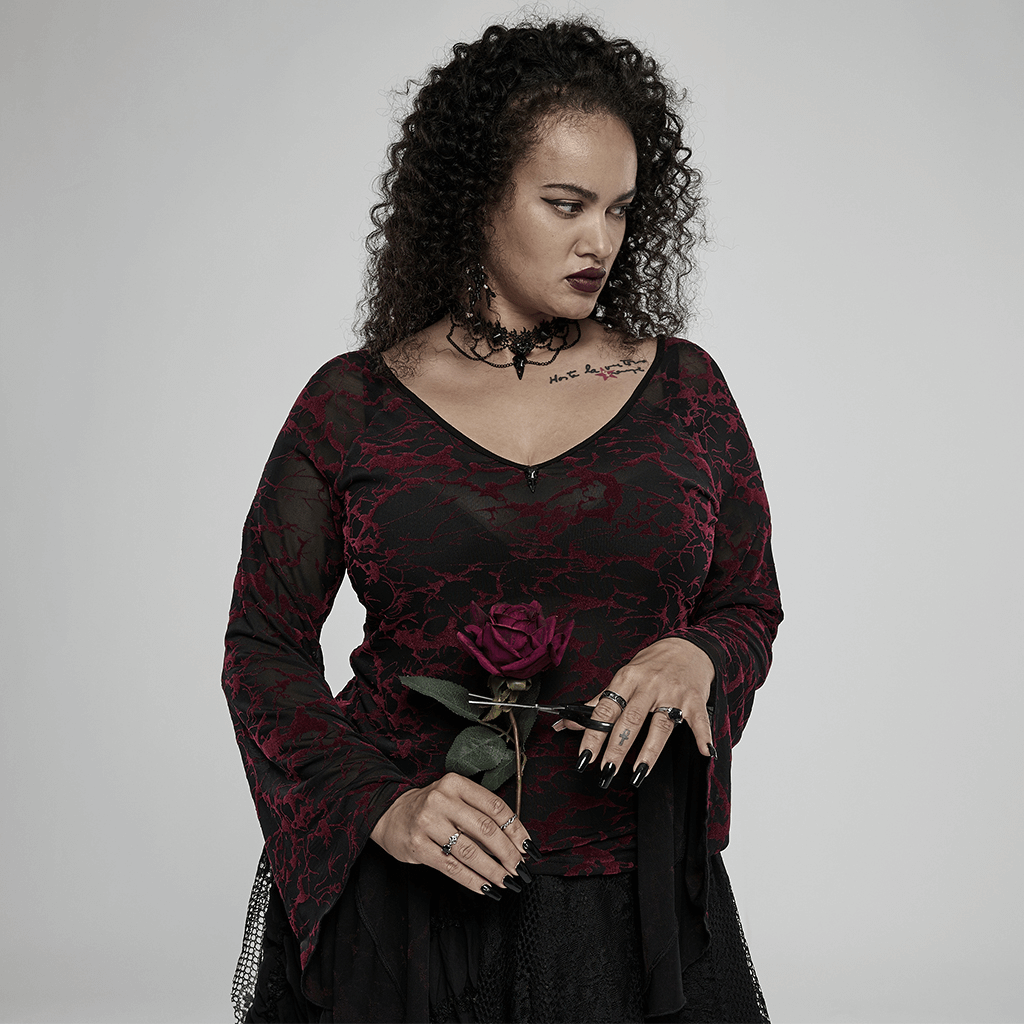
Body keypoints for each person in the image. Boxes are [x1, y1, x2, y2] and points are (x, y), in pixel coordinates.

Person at [223, 17, 782, 1024]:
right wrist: (381, 805)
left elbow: (748, 602)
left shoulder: (686, 389)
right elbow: (262, 647)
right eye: (566, 204)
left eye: (619, 209)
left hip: (630, 909)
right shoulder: (353, 403)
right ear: (477, 196)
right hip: (410, 909)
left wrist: (698, 653)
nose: (599, 240)